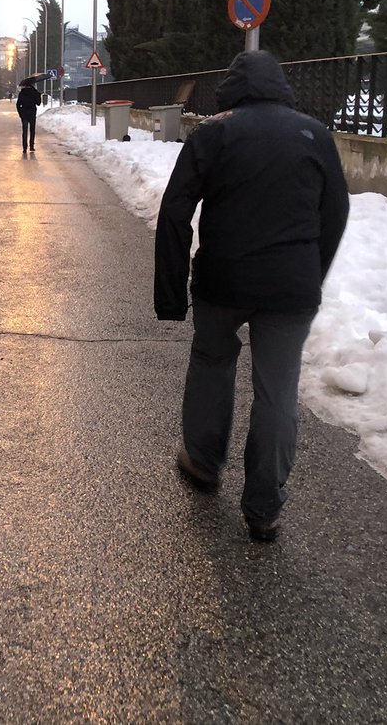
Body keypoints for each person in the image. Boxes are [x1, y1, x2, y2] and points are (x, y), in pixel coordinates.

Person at [154, 50, 349, 543]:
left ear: (232, 88)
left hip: (225, 280)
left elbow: (176, 211)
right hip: (291, 287)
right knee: (277, 392)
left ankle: (202, 461)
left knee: (212, 361)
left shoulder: (214, 132)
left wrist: (172, 292)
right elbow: (336, 213)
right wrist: (311, 274)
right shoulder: (315, 135)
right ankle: (263, 508)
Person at [15, 81, 41, 153]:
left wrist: (20, 113)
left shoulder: (22, 93)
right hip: (32, 112)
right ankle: (31, 146)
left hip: (24, 113)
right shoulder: (34, 92)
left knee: (24, 130)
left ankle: (24, 148)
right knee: (32, 130)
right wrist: (38, 95)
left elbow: (18, 104)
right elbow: (38, 103)